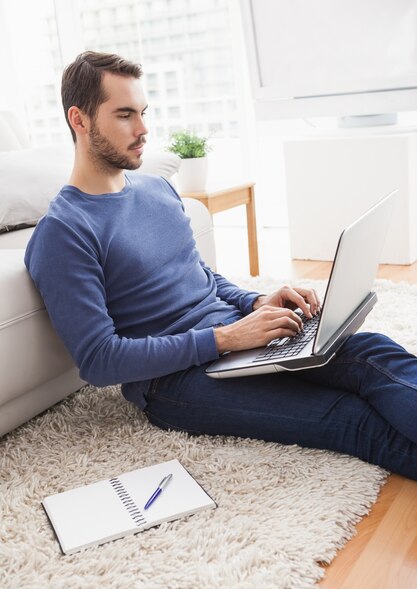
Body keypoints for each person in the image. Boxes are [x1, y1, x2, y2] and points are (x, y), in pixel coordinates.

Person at [25, 51, 417, 480]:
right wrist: (225, 338)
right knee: (351, 419)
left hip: (235, 338)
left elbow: (200, 276)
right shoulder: (63, 232)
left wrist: (255, 302)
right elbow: (99, 360)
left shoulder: (157, 188)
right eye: (124, 115)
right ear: (79, 120)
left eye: (143, 112)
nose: (143, 130)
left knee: (373, 355)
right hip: (174, 381)